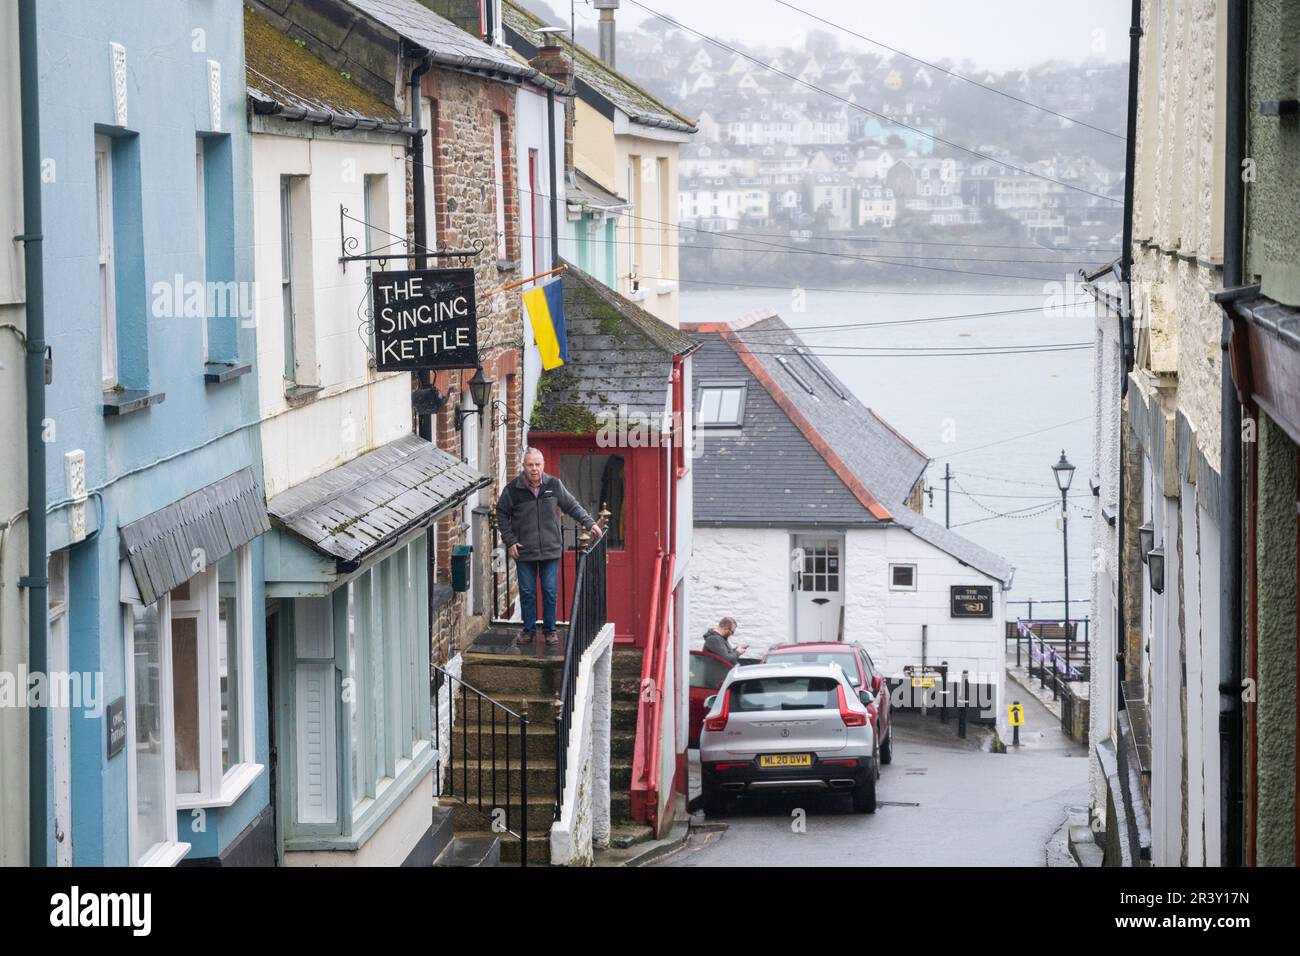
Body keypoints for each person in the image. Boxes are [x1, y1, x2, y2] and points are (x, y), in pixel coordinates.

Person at [496, 447, 603, 646]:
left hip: (550, 549)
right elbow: (501, 512)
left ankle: (550, 630)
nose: (534, 469)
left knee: (550, 590)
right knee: (527, 592)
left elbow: (572, 505)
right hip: (524, 550)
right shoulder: (513, 489)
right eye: (530, 465)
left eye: (537, 464)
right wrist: (509, 540)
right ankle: (528, 631)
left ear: (543, 465)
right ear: (524, 466)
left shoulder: (554, 485)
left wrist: (591, 524)